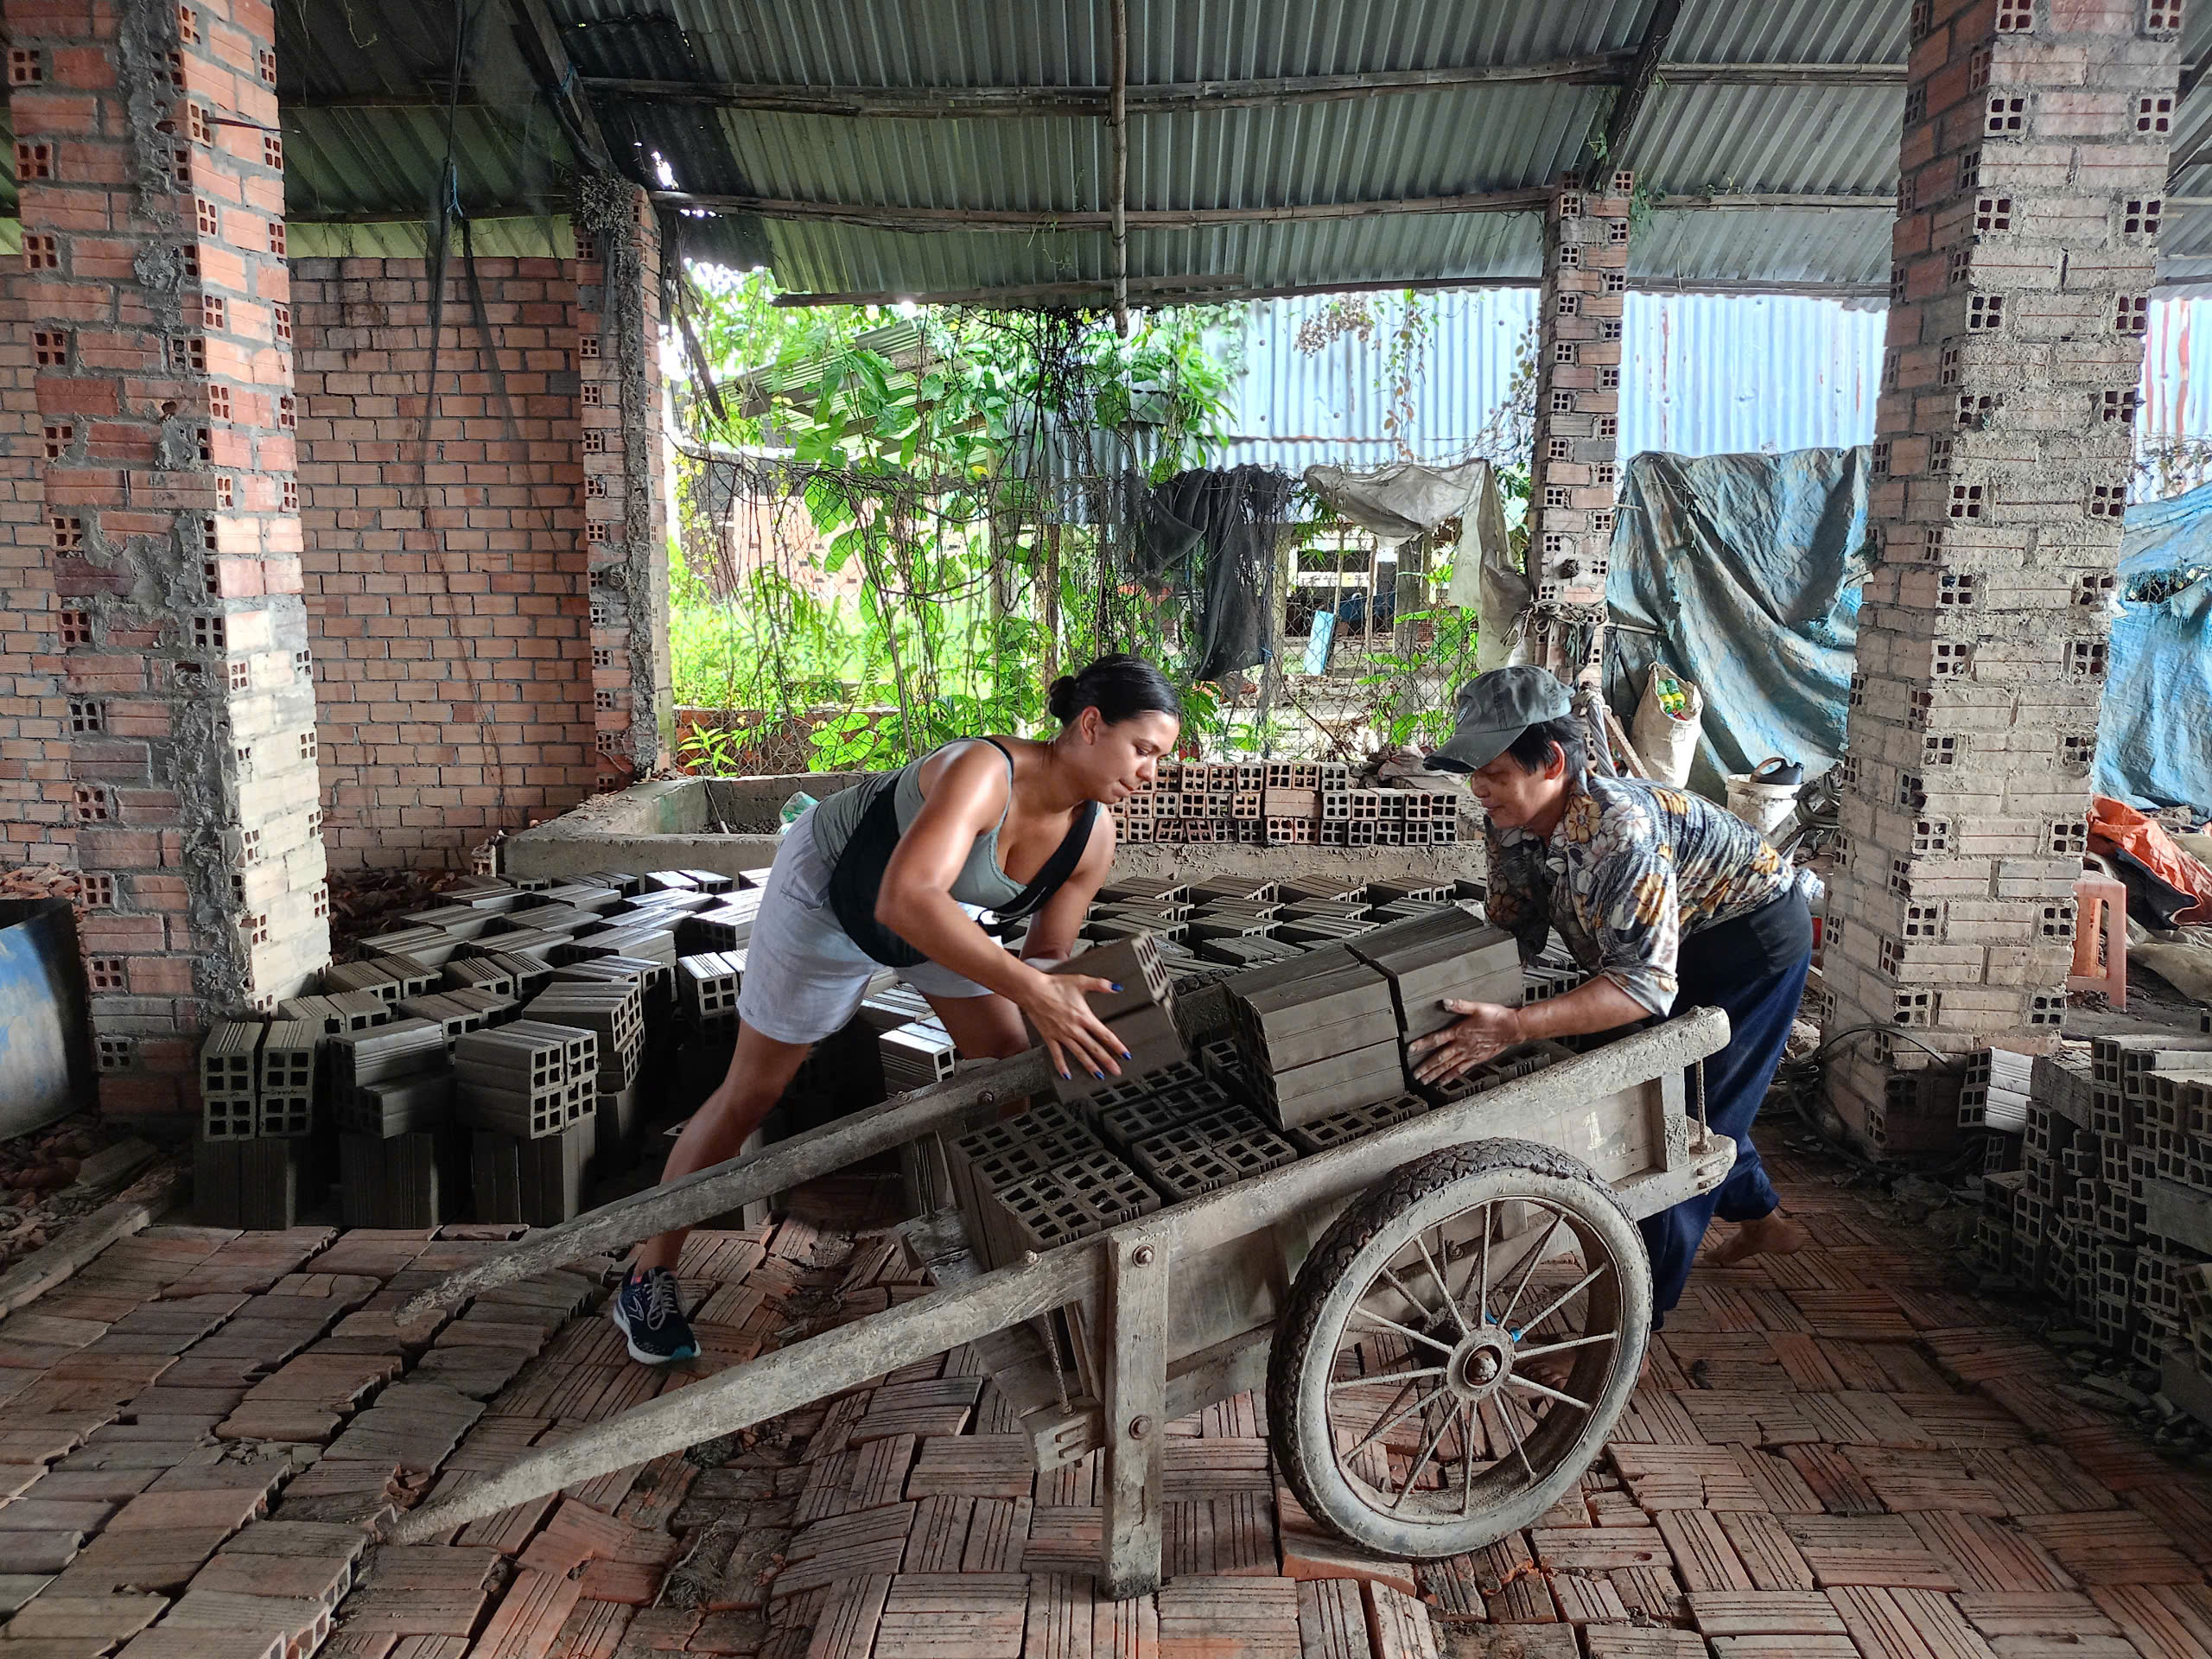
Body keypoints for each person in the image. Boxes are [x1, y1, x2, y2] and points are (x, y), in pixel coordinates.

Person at [609, 654, 1182, 1363]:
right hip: (833, 889)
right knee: (752, 1092)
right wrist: (1034, 991)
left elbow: (1045, 954)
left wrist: (1078, 1004)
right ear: (1090, 725)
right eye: (1144, 750)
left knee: (1009, 1061)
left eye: (1160, 759)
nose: (1150, 772)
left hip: (930, 910)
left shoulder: (1092, 837)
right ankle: (648, 1274)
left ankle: (998, 1240)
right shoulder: (984, 771)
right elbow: (904, 899)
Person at [1406, 666, 1812, 1325]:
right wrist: (1441, 999)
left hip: (1750, 942)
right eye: (1473, 772)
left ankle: (1630, 1334)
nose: (1479, 787)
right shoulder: (1510, 821)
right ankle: (1764, 1219)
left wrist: (1516, 1026)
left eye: (1494, 772)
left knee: (1673, 1128)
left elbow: (1642, 988)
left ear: (1552, 763)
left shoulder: (1619, 832)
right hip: (1666, 944)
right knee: (1678, 1098)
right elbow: (1512, 932)